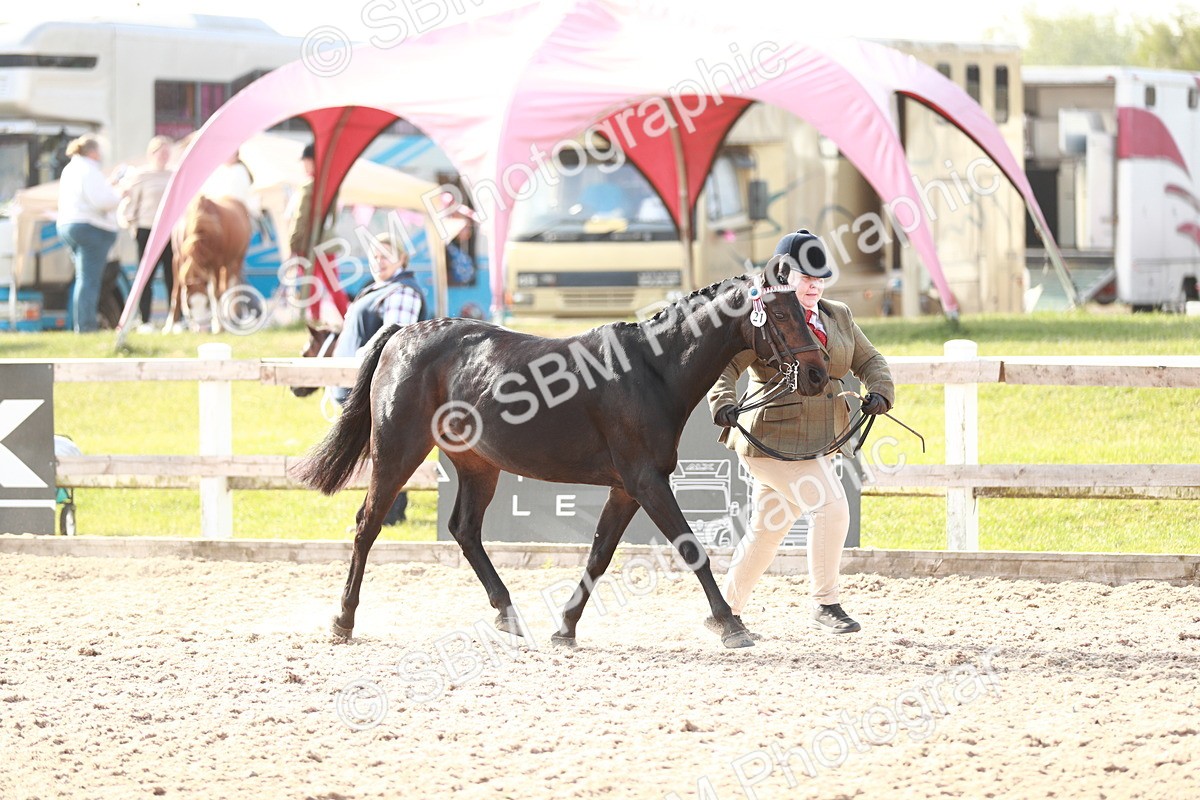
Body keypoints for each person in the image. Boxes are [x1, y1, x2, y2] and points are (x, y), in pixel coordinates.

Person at [707, 229, 895, 636]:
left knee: (766, 531)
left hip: (820, 439)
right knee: (830, 506)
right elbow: (725, 368)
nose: (814, 284)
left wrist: (879, 388)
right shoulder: (765, 317)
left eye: (820, 277)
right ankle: (825, 605)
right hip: (770, 441)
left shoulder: (838, 315)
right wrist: (722, 401)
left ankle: (725, 613)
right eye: (805, 276)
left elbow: (870, 359)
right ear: (781, 275)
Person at [331, 232, 431, 524]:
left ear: (402, 258)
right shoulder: (379, 288)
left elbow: (393, 335)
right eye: (374, 255)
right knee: (378, 451)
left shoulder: (401, 292)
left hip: (382, 388)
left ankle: (388, 514)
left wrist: (361, 358)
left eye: (385, 255)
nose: (378, 261)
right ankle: (383, 513)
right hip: (364, 386)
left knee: (384, 450)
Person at [56, 135, 128, 333]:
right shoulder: (88, 169)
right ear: (93, 151)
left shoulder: (71, 168)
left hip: (69, 226)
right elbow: (102, 201)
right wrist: (119, 194)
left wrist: (109, 184)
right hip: (90, 228)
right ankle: (86, 326)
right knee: (90, 280)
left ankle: (81, 323)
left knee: (83, 279)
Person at [121, 136, 175, 329]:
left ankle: (175, 318)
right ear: (152, 154)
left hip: (170, 231)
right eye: (161, 152)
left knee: (172, 274)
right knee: (146, 275)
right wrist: (132, 225)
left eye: (167, 153)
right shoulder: (141, 176)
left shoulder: (174, 175)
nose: (164, 156)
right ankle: (145, 320)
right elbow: (131, 205)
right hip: (147, 229)